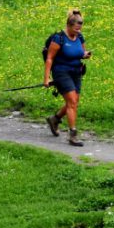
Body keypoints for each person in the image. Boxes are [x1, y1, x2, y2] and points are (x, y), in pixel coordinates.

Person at [43, 8, 92, 147]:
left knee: (74, 102)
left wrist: (85, 54)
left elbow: (81, 52)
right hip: (61, 72)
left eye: (80, 27)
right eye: (76, 27)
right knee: (71, 102)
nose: (79, 30)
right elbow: (49, 59)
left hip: (76, 72)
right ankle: (73, 135)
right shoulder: (58, 38)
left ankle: (55, 119)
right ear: (69, 25)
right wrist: (46, 79)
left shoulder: (80, 37)